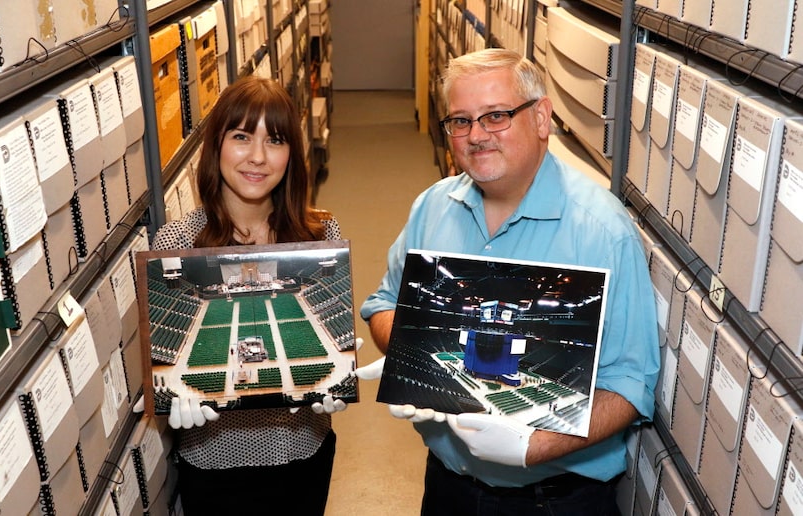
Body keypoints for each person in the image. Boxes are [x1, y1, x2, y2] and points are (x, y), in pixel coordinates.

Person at [359, 48, 660, 515]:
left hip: (554, 500)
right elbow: (382, 302)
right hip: (449, 485)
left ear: (541, 118)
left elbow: (630, 384)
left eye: (495, 116)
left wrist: (531, 446)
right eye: (460, 121)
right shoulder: (433, 207)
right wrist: (407, 348)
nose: (476, 136)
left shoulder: (602, 231)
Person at [150, 75, 345, 515]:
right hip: (213, 463)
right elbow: (157, 359)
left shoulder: (319, 235)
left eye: (275, 140)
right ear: (216, 145)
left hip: (304, 454)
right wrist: (171, 393)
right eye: (241, 137)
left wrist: (336, 378)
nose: (258, 157)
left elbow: (338, 334)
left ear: (292, 154)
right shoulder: (178, 240)